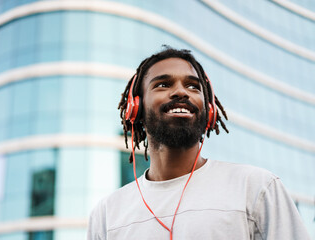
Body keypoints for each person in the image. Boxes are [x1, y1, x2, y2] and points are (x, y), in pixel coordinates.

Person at [87, 47, 310, 240]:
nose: (181, 92)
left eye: (193, 86)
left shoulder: (258, 187)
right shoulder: (107, 213)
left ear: (209, 111)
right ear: (135, 109)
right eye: (163, 84)